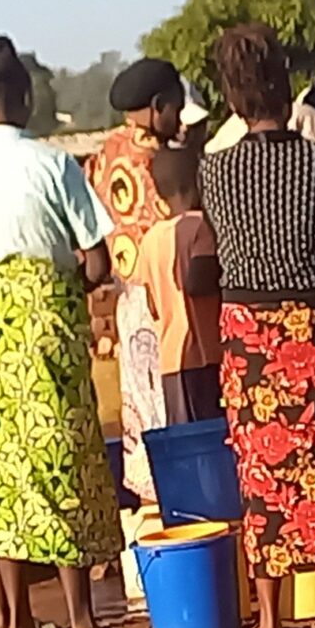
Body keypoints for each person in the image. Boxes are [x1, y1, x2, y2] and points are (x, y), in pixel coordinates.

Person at [0, 34, 124, 628]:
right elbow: (96, 260)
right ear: (25, 95)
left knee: (1, 467)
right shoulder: (52, 165)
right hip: (51, 316)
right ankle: (82, 624)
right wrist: (69, 270)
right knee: (62, 455)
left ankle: (13, 624)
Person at [199, 21, 315, 628]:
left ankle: (271, 626)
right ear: (287, 86)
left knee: (263, 471)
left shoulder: (214, 171)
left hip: (250, 334)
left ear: (232, 95)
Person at [89, 57, 194, 504]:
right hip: (164, 300)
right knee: (172, 413)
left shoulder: (102, 155)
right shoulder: (160, 162)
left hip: (126, 304)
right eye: (176, 108)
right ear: (158, 106)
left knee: (140, 416)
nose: (180, 119)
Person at [140, 147, 223, 423]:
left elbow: (151, 305)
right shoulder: (202, 227)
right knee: (213, 435)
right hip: (206, 354)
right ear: (198, 182)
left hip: (170, 361)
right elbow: (198, 281)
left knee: (185, 440)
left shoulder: (150, 240)